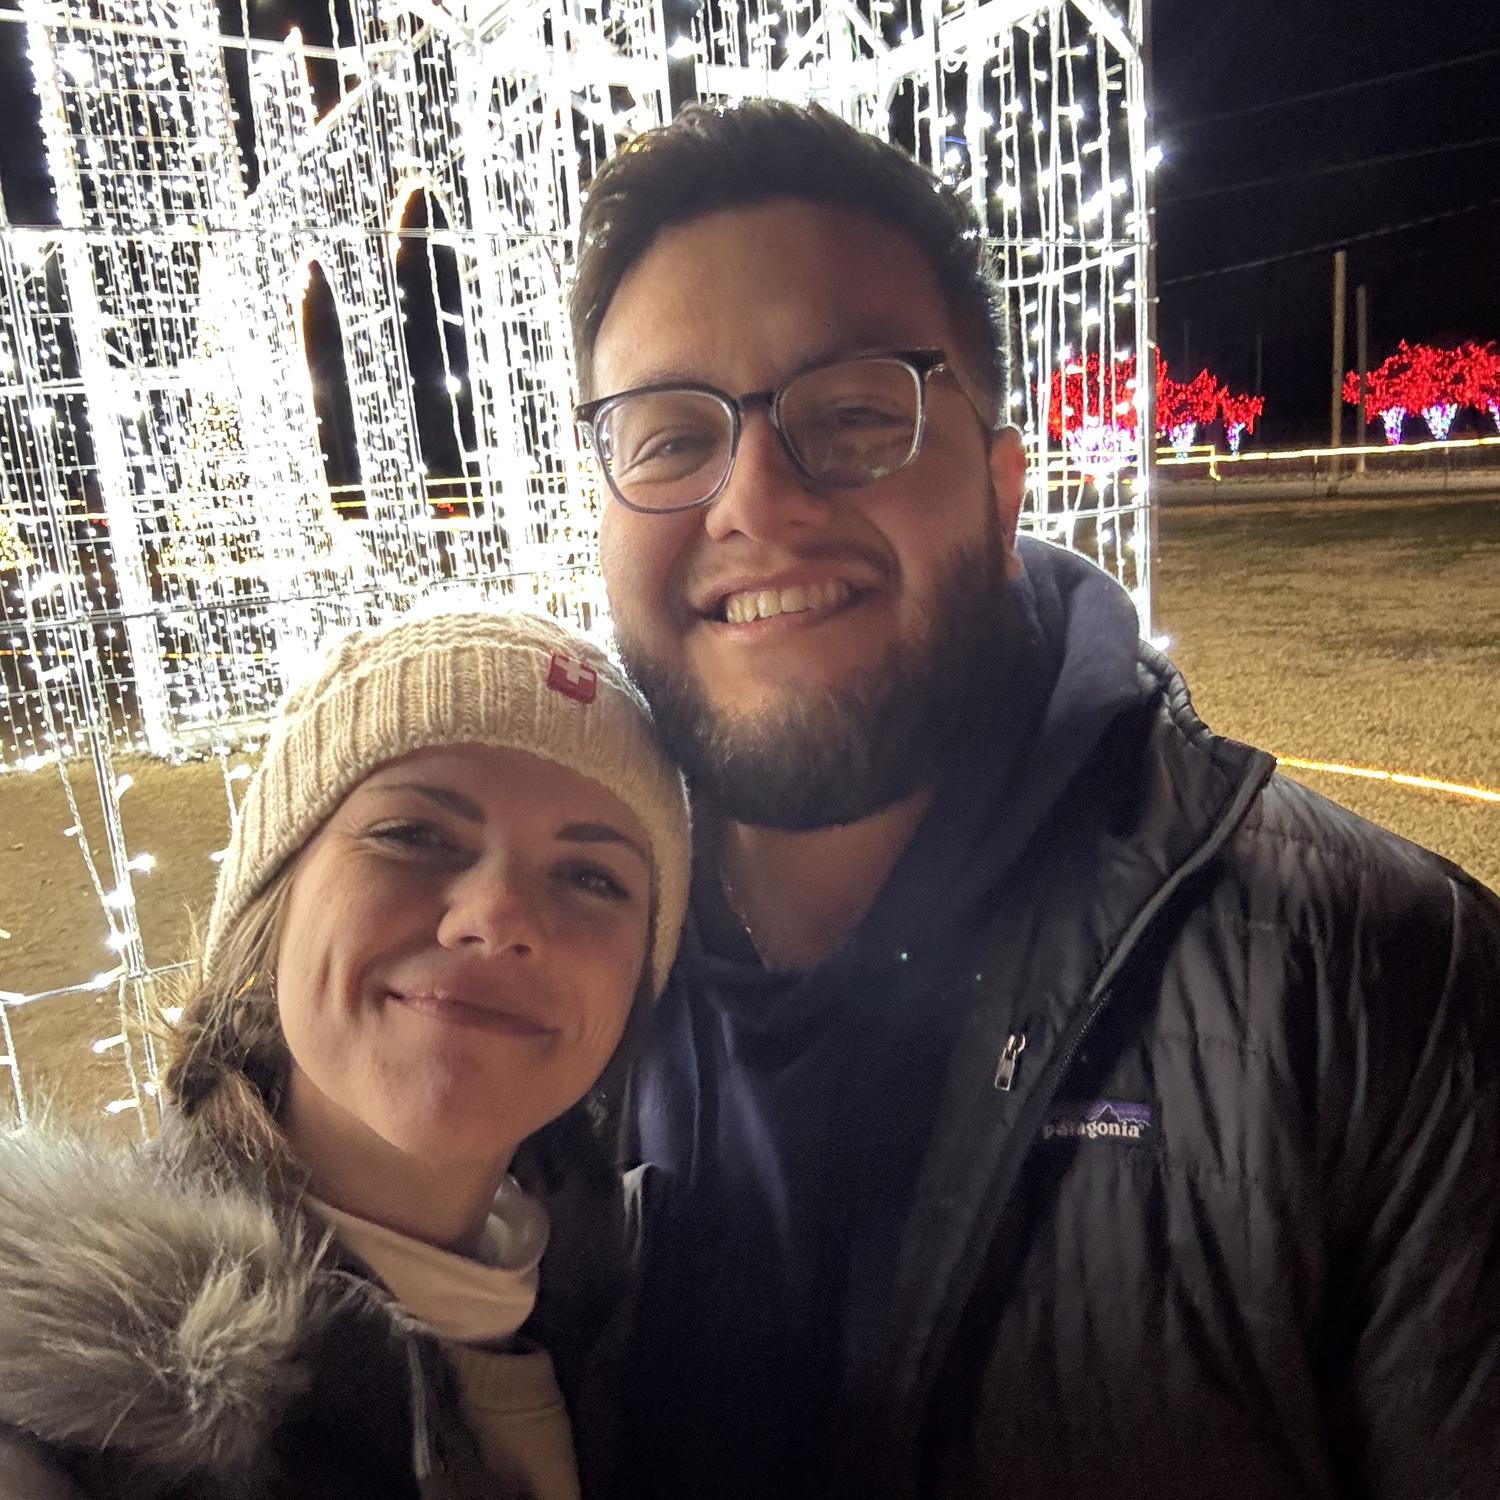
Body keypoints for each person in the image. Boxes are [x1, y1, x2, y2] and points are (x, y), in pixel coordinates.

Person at [568, 100, 1500, 1498]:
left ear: (1005, 496)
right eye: (666, 438)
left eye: (857, 412)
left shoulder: (1387, 995)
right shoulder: (525, 983)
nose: (754, 496)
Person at [0, 608, 690, 1500]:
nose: (497, 917)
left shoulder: (644, 1326)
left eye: (592, 878)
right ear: (269, 907)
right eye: (414, 834)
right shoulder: (74, 1440)